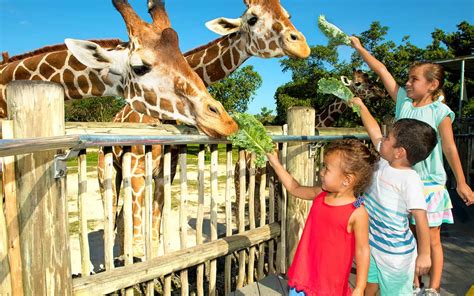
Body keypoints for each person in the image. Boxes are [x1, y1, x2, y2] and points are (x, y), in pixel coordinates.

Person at [350, 36, 474, 295]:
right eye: (407, 78)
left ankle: (434, 287)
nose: (407, 82)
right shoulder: (403, 102)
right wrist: (360, 48)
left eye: (413, 79)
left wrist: (461, 182)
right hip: (400, 179)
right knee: (405, 234)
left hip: (428, 184)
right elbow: (382, 70)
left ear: (432, 85)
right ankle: (413, 283)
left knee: (431, 239)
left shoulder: (441, 112)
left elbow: (450, 148)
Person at [266, 139, 378, 296]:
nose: (321, 172)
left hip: (330, 284)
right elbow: (294, 188)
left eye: (327, 169)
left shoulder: (357, 213)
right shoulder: (321, 194)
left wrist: (359, 287)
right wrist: (275, 163)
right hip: (304, 274)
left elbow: (362, 250)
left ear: (347, 179)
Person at [350, 97, 436, 295]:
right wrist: (362, 106)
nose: (383, 140)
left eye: (388, 138)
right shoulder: (383, 161)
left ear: (399, 152)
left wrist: (424, 254)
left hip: (396, 257)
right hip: (372, 244)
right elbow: (374, 132)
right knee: (367, 284)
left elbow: (421, 220)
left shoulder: (410, 180)